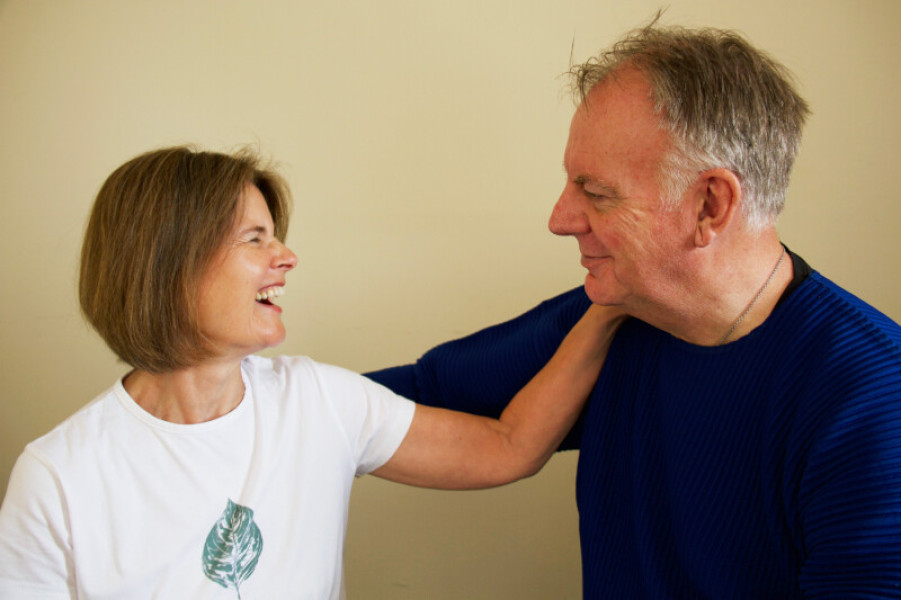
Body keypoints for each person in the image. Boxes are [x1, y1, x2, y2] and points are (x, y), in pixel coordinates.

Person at [366, 19, 901, 599]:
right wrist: (256, 392)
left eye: (596, 193)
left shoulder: (873, 403)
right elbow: (411, 396)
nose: (559, 219)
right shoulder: (609, 316)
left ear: (709, 205)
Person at [0, 146, 624, 599]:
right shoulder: (57, 477)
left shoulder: (318, 402)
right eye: (254, 239)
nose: (287, 257)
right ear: (168, 265)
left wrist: (607, 306)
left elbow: (507, 448)